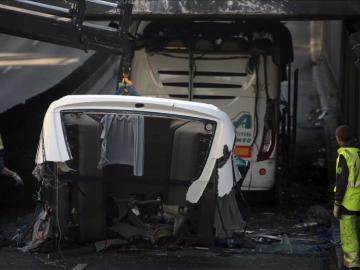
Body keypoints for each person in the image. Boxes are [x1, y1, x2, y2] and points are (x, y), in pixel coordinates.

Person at [333, 125, 360, 269]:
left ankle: (352, 265)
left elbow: (341, 182)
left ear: (339, 139)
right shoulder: (358, 153)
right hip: (358, 202)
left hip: (348, 203)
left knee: (349, 238)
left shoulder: (344, 156)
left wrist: (337, 204)